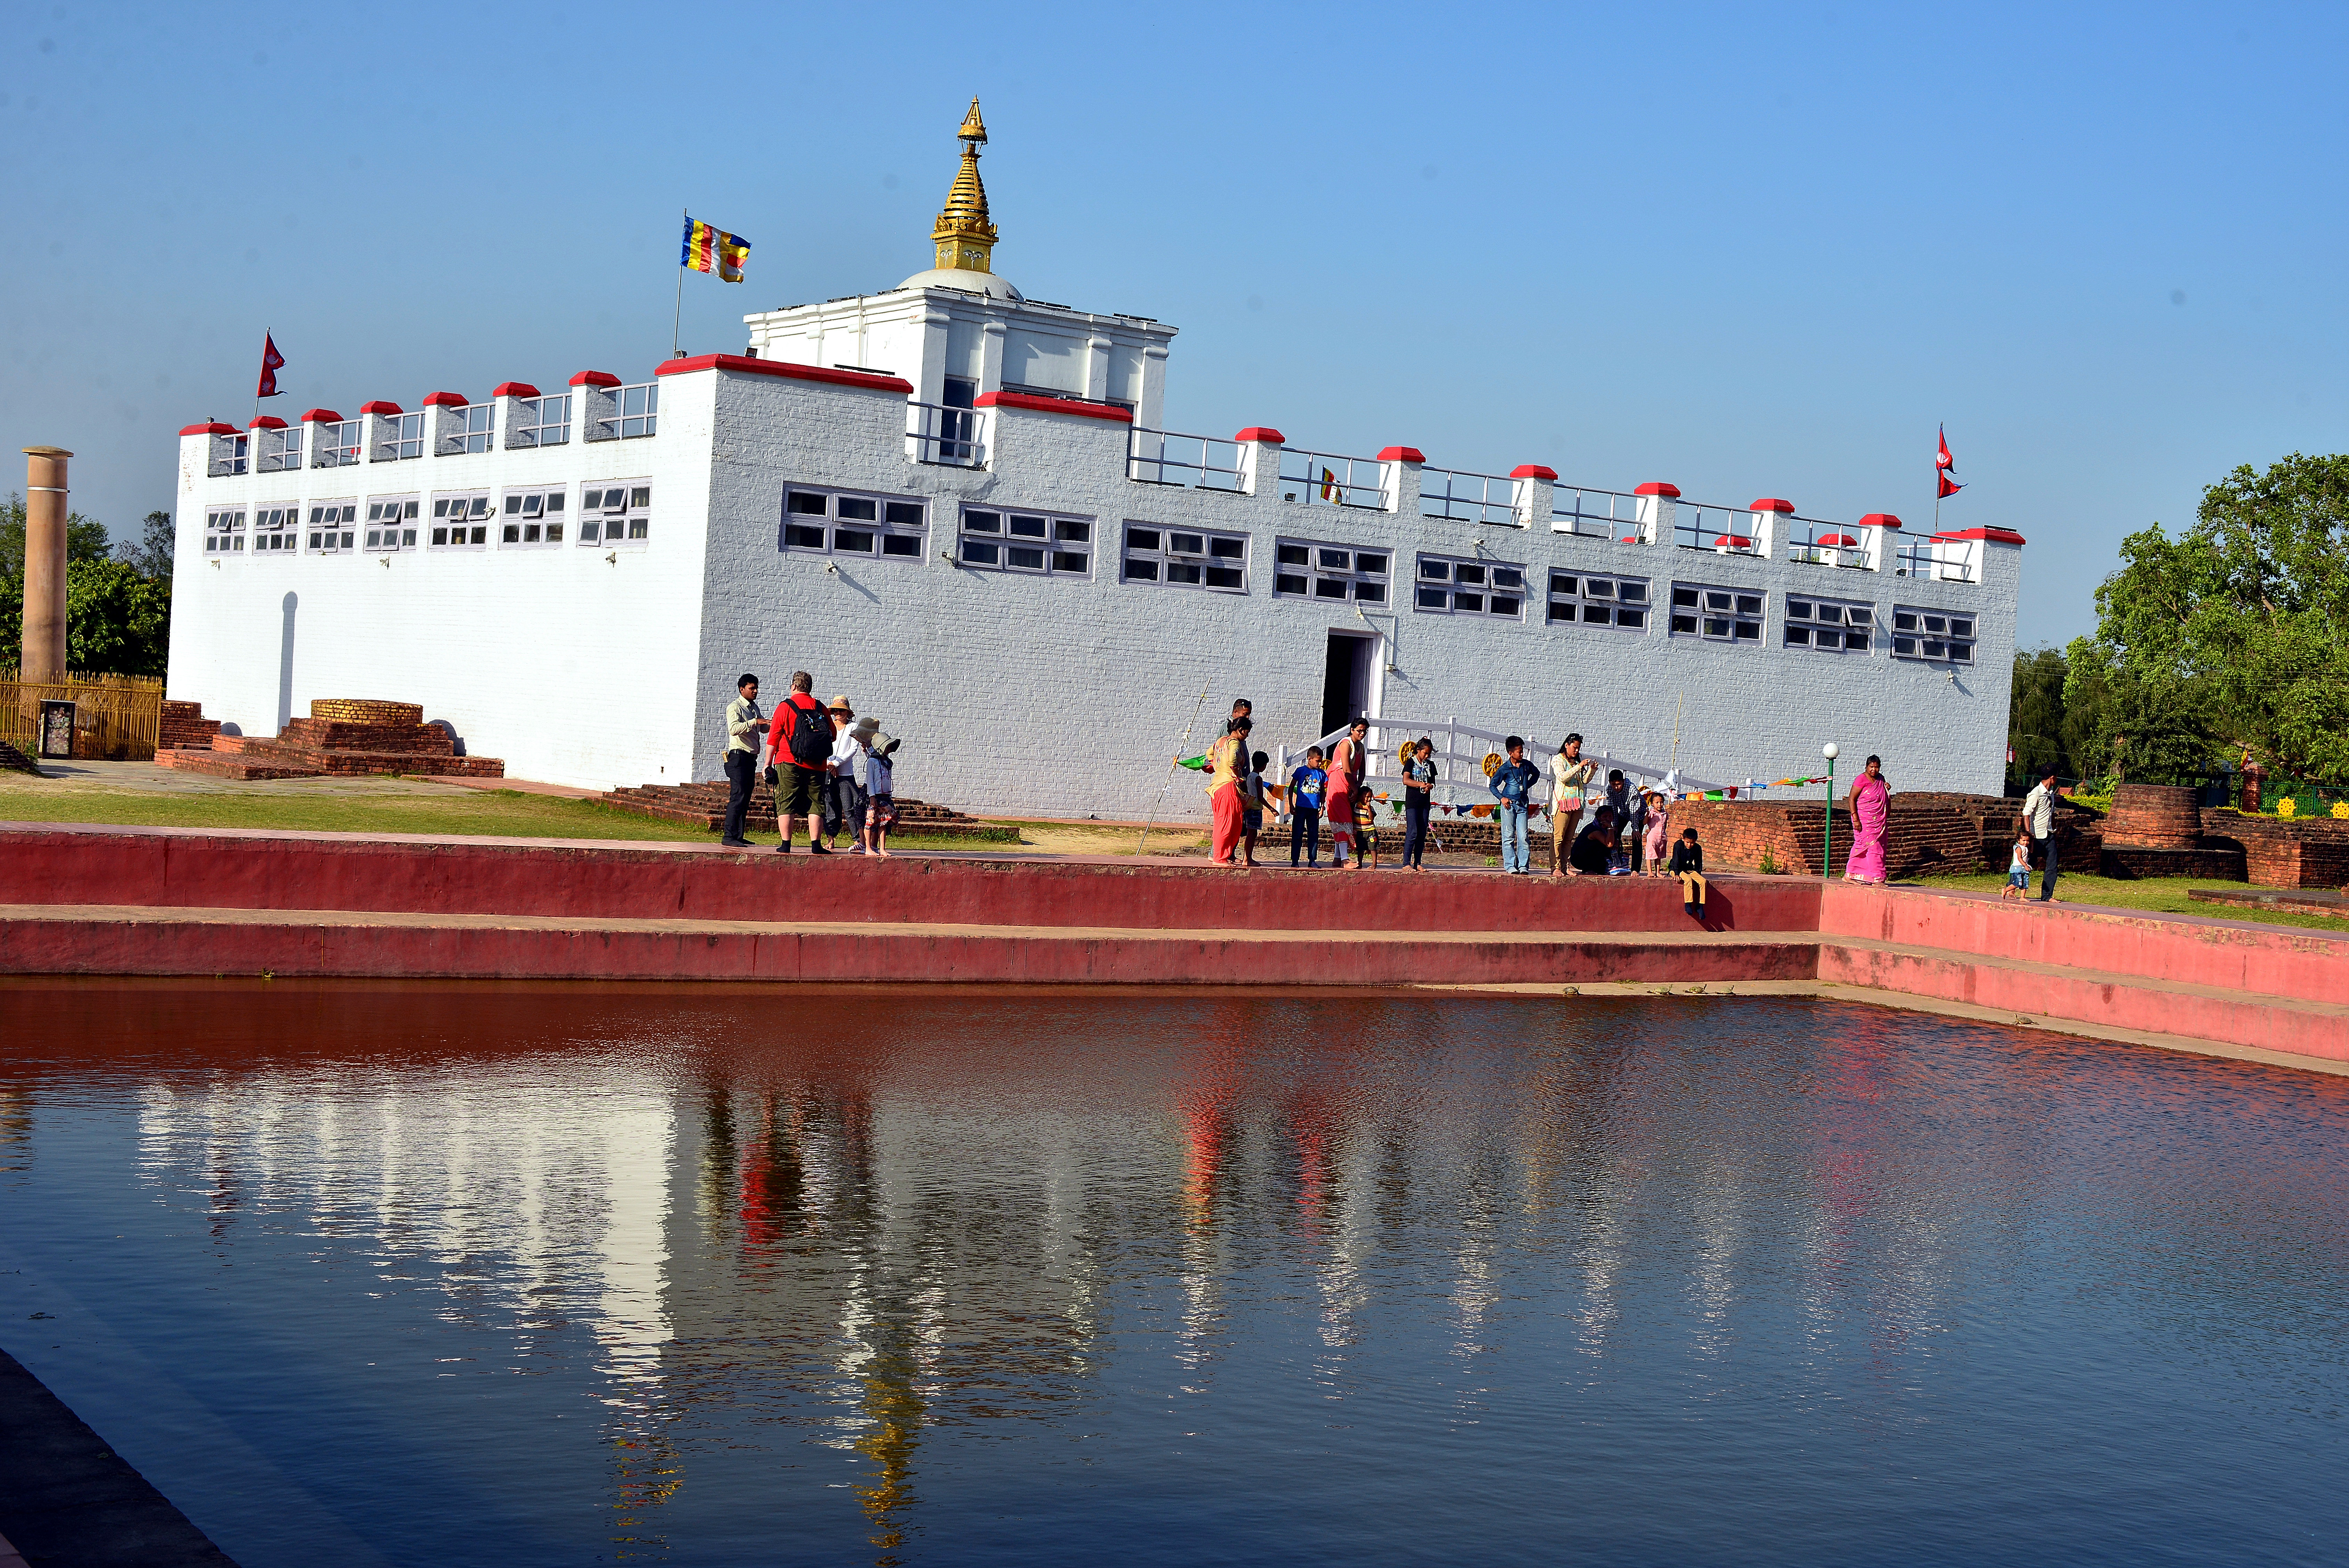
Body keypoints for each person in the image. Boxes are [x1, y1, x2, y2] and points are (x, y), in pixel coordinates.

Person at [764, 671, 836, 855]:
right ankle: (816, 845)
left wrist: (767, 764)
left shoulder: (785, 706)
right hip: (817, 764)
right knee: (816, 803)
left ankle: (786, 844)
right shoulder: (820, 707)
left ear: (794, 687)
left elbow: (773, 738)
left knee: (786, 801)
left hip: (788, 761)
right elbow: (833, 735)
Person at [1197, 715, 1251, 866]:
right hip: (1228, 785)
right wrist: (1236, 771)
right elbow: (1233, 760)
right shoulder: (1234, 743)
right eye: (1246, 733)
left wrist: (1217, 766)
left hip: (1217, 785)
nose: (1246, 736)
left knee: (1223, 822)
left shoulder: (1221, 741)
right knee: (1229, 823)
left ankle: (1221, 856)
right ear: (1240, 730)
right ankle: (1220, 858)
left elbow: (1210, 753)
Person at [719, 673, 764, 848]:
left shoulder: (754, 707)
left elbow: (761, 728)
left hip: (750, 759)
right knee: (737, 797)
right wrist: (754, 722)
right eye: (752, 688)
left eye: (756, 688)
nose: (755, 691)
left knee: (745, 798)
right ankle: (729, 836)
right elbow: (734, 729)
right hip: (738, 757)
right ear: (742, 689)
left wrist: (771, 723)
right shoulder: (735, 707)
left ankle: (738, 835)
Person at [1489, 735, 1540, 874]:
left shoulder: (1527, 765)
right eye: (1519, 752)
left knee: (1523, 836)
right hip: (1509, 806)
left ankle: (1523, 865)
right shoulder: (1505, 768)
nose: (1522, 754)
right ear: (1511, 753)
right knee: (1509, 836)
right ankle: (1510, 865)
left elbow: (1536, 774)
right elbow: (1493, 785)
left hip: (1523, 804)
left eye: (1523, 751)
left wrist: (1526, 785)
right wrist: (1502, 798)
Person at [1551, 733, 1598, 876]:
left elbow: (1583, 781)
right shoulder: (1558, 760)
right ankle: (1556, 867)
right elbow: (1563, 777)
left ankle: (1566, 866)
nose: (1576, 751)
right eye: (1574, 747)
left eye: (1578, 748)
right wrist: (1579, 766)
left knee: (1569, 838)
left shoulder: (1576, 762)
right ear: (1567, 745)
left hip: (1576, 804)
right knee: (1559, 837)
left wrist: (1592, 770)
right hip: (1562, 803)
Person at [1326, 717, 1369, 870]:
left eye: (1365, 731)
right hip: (1339, 783)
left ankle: (1338, 858)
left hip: (1352, 784)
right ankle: (1345, 860)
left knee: (1347, 819)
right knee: (1342, 820)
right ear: (1352, 730)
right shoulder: (1346, 744)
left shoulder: (1361, 748)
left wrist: (1357, 787)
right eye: (1359, 731)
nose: (1362, 733)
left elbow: (1362, 771)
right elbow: (1346, 769)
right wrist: (1355, 788)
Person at [1845, 754, 1891, 884]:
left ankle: (1850, 874)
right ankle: (1877, 878)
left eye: (1877, 767)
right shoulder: (1861, 779)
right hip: (1864, 820)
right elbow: (1852, 799)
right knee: (1870, 847)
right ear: (1866, 767)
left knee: (1874, 847)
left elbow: (1883, 798)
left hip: (1879, 820)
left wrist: (1886, 789)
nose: (1874, 770)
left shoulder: (1881, 779)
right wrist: (1855, 818)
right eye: (1871, 767)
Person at [823, 695, 861, 847]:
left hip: (845, 774)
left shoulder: (853, 727)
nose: (839, 713)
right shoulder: (827, 725)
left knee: (850, 807)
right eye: (836, 710)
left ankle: (858, 840)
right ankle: (831, 840)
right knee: (830, 806)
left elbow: (853, 749)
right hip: (828, 772)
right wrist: (829, 764)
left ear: (848, 712)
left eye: (842, 710)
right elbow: (822, 746)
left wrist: (836, 763)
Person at [2021, 766, 2062, 901]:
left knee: (2052, 865)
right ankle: (2012, 886)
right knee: (2027, 863)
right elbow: (2027, 813)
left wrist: (2054, 828)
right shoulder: (2036, 793)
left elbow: (2052, 813)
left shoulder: (2050, 794)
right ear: (2052, 777)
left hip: (2049, 835)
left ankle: (2047, 896)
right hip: (2036, 837)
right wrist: (2029, 835)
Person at [1401, 737, 1437, 871]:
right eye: (1425, 753)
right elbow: (1406, 780)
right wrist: (1420, 784)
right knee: (1413, 831)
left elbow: (1433, 782)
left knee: (1422, 832)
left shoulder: (1430, 765)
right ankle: (1406, 863)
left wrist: (1429, 786)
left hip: (1425, 802)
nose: (1427, 756)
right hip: (1413, 802)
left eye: (1429, 754)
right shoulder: (1411, 762)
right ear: (1418, 750)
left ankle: (1418, 862)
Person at [1289, 747, 1328, 867]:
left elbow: (1323, 791)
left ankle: (1312, 860)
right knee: (1297, 834)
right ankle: (1295, 861)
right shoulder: (1300, 771)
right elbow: (1291, 788)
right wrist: (1291, 805)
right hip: (1301, 808)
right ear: (1310, 759)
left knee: (1313, 835)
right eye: (1318, 761)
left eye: (1321, 760)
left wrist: (1322, 807)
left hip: (1314, 809)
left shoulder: (1321, 773)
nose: (1320, 763)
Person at [864, 734, 900, 857]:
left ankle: (882, 848)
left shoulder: (887, 763)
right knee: (870, 822)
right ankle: (868, 847)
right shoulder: (872, 762)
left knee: (883, 823)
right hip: (876, 796)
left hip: (886, 796)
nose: (889, 750)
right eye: (887, 747)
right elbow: (870, 781)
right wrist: (872, 797)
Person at [1669, 827, 1708, 919]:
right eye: (1688, 842)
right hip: (1677, 869)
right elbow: (1676, 859)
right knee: (1688, 880)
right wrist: (1677, 873)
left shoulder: (1698, 848)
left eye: (1692, 843)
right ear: (1683, 839)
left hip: (1689, 869)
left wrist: (1698, 875)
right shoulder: (1679, 845)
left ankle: (1700, 905)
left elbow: (1699, 863)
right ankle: (1688, 904)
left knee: (1703, 882)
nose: (1690, 845)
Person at [1242, 750, 1270, 868]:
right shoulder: (1258, 778)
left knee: (1251, 833)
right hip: (1256, 808)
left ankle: (1246, 858)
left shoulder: (1249, 776)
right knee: (1252, 834)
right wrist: (1272, 809)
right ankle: (1248, 859)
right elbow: (1260, 797)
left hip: (1249, 807)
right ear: (1264, 766)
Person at [1568, 806, 1616, 876]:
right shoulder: (1594, 829)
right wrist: (1610, 827)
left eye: (1610, 816)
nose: (1608, 819)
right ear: (1599, 817)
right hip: (1580, 859)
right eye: (1605, 817)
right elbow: (1609, 844)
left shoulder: (1604, 828)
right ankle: (1589, 869)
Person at [1641, 791, 1670, 875]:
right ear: (1652, 804)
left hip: (1662, 837)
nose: (1659, 804)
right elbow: (1644, 822)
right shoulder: (1651, 813)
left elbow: (1665, 825)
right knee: (1650, 855)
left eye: (1661, 802)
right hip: (1653, 837)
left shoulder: (1665, 814)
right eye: (1657, 802)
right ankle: (1650, 872)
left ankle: (1658, 872)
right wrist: (1647, 814)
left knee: (1659, 855)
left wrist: (1664, 834)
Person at [2001, 827, 2032, 900]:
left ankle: (2022, 897)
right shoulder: (2018, 848)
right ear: (2019, 840)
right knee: (2018, 883)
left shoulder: (2026, 848)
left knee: (2025, 884)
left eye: (2028, 841)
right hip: (2018, 868)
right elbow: (2020, 858)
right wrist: (2025, 865)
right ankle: (2005, 890)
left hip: (2024, 869)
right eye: (2024, 841)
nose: (2026, 842)